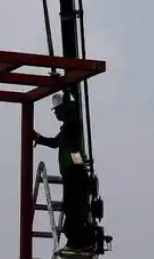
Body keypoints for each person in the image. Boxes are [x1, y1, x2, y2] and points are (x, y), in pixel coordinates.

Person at [34, 91, 95, 256]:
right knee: (71, 206)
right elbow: (56, 143)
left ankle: (77, 241)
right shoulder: (69, 125)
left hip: (74, 173)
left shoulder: (72, 124)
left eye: (56, 110)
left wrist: (67, 88)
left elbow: (69, 147)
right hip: (71, 172)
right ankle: (76, 241)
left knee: (73, 207)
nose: (55, 114)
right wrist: (39, 138)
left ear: (64, 108)